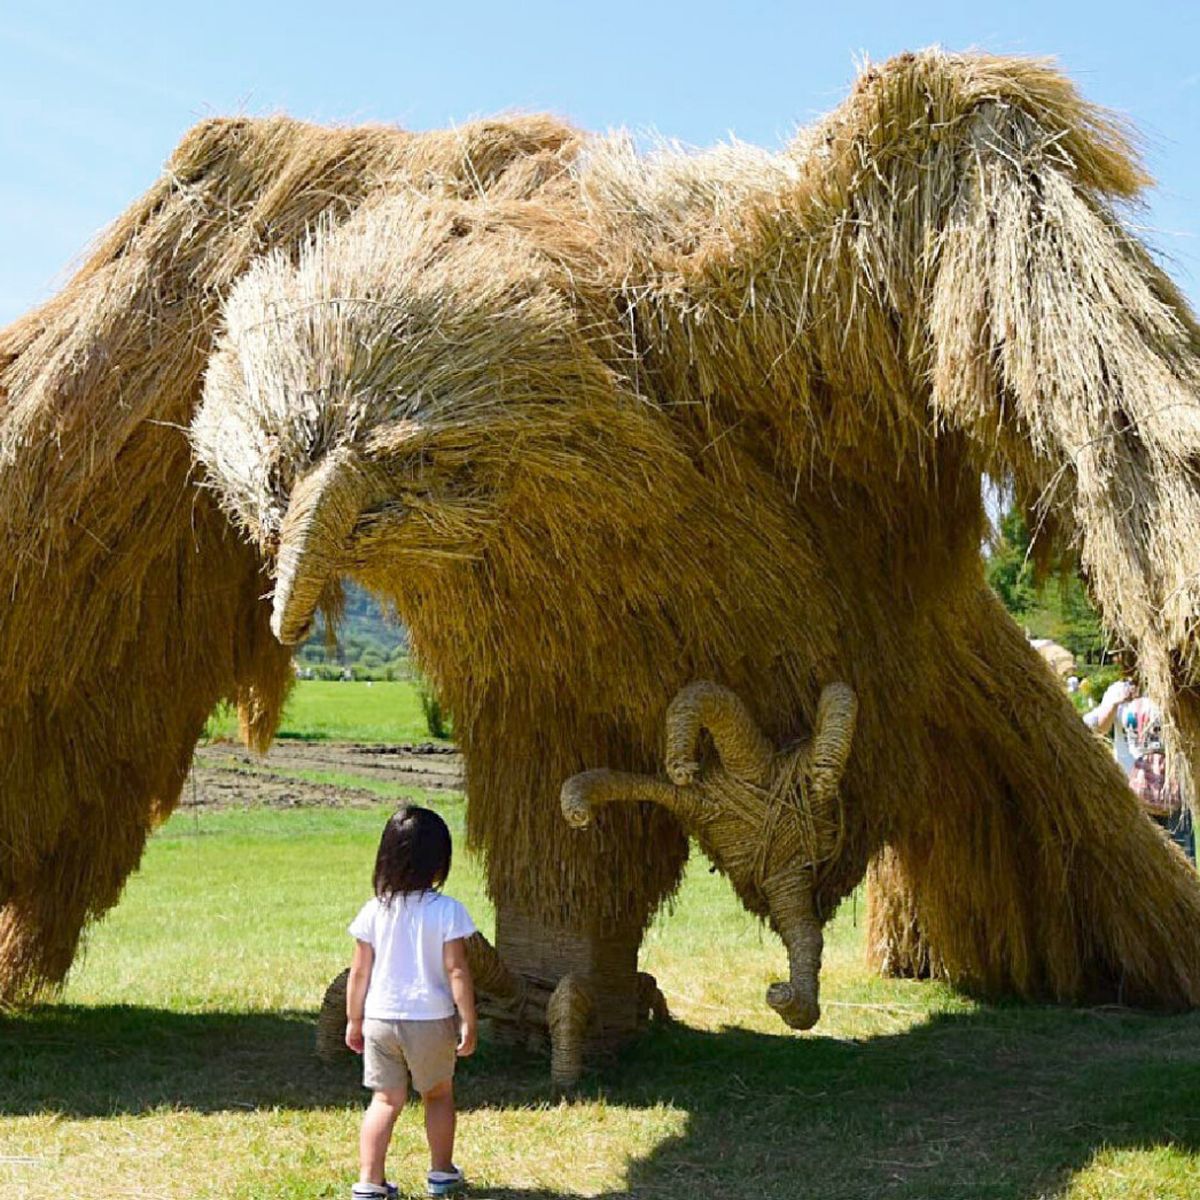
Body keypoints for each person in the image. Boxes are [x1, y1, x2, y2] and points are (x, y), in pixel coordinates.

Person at [345, 806, 478, 1198]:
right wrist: (468, 1019)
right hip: (430, 1019)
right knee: (437, 1094)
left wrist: (354, 1020)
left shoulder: (374, 910)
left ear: (386, 857)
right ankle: (441, 1173)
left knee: (384, 1099)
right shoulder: (447, 911)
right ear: (440, 861)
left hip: (380, 1018)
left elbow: (359, 973)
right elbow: (457, 971)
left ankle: (370, 1182)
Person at [1085, 677, 1195, 863]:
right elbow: (1097, 728)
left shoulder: (1175, 685)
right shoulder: (1118, 690)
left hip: (1175, 796)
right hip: (1135, 796)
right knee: (1142, 864)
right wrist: (1114, 704)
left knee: (1184, 864)